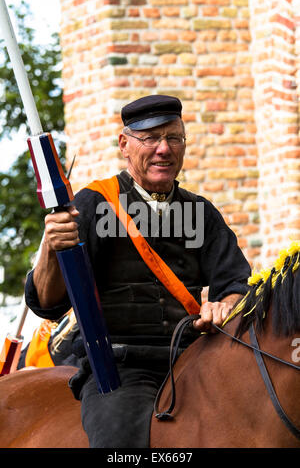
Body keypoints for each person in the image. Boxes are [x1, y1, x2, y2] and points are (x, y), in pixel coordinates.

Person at [25, 94, 251, 448]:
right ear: (124, 145)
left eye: (173, 138)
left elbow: (235, 284)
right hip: (119, 368)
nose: (164, 149)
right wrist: (51, 248)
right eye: (150, 138)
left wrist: (225, 304)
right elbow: (47, 303)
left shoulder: (201, 212)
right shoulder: (93, 203)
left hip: (194, 359)